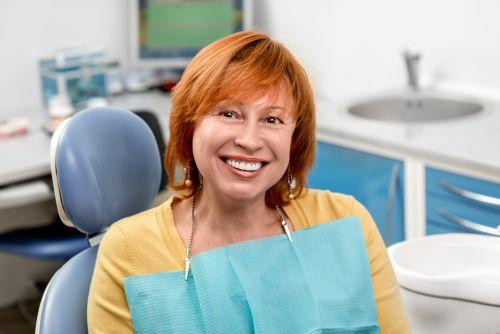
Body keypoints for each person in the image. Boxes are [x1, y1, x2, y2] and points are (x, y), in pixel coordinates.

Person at [87, 31, 410, 333]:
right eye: (229, 114)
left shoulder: (344, 222)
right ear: (190, 125)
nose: (250, 140)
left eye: (272, 119)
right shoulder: (128, 250)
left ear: (294, 138)